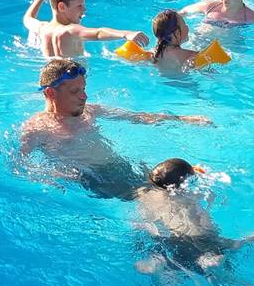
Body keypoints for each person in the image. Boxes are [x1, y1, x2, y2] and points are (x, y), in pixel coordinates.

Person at [19, 59, 211, 197]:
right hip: (94, 180)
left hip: (120, 166)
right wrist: (53, 177)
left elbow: (137, 117)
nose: (84, 97)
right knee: (161, 198)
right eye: (75, 91)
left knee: (170, 181)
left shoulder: (90, 111)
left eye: (84, 89)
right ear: (50, 92)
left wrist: (183, 118)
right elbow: (20, 164)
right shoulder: (37, 128)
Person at [132, 159, 254, 272]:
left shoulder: (144, 193)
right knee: (222, 244)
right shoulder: (189, 195)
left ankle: (158, 261)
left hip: (169, 238)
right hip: (200, 237)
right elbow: (212, 197)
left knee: (163, 247)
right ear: (183, 183)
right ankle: (213, 256)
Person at [22, 0, 148, 58]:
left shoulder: (43, 28)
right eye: (79, 6)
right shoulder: (70, 30)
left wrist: (38, 0)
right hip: (71, 85)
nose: (84, 10)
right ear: (62, 7)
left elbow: (28, 19)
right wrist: (126, 34)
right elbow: (98, 33)